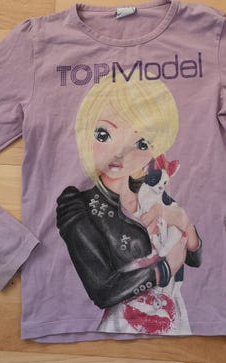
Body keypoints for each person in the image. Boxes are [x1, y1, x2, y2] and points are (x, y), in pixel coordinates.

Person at [56, 72, 202, 335]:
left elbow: (195, 258)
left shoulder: (153, 193)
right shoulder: (78, 205)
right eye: (103, 134)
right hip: (121, 330)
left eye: (141, 143)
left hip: (178, 328)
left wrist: (183, 222)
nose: (120, 152)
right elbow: (102, 290)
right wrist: (164, 269)